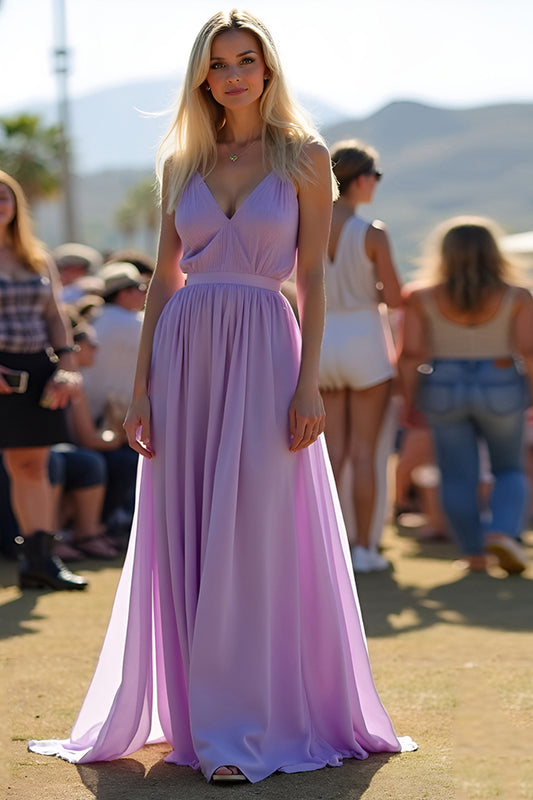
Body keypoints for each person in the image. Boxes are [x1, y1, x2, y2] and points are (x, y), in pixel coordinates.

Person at [29, 10, 415, 782]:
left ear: (267, 70)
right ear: (202, 77)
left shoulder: (304, 157)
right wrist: (139, 393)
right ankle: (199, 717)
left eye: (247, 59)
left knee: (255, 533)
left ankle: (241, 730)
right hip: (184, 356)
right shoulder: (182, 161)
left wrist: (306, 379)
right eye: (219, 63)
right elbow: (163, 281)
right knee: (188, 527)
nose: (234, 73)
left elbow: (308, 277)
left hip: (269, 352)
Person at [398, 216, 533, 573]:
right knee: (509, 469)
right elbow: (529, 350)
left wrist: (411, 402)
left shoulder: (420, 295)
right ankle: (503, 531)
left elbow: (411, 354)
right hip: (502, 381)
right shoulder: (517, 295)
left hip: (442, 384)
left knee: (457, 474)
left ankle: (473, 554)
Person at [0, 171, 87, 590]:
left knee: (32, 466)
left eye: (4, 196)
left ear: (16, 205)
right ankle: (34, 559)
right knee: (20, 466)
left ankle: (39, 560)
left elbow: (54, 315)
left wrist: (67, 367)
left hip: (37, 369)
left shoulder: (37, 256)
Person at [319, 140, 402, 572]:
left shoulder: (306, 226)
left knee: (330, 455)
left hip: (322, 339)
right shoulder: (373, 232)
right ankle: (365, 549)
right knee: (365, 451)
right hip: (365, 339)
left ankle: (326, 547)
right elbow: (395, 294)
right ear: (362, 179)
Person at [81, 261, 146, 422]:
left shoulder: (95, 316)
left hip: (89, 412)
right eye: (140, 288)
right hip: (115, 419)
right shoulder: (136, 323)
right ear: (123, 293)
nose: (145, 293)